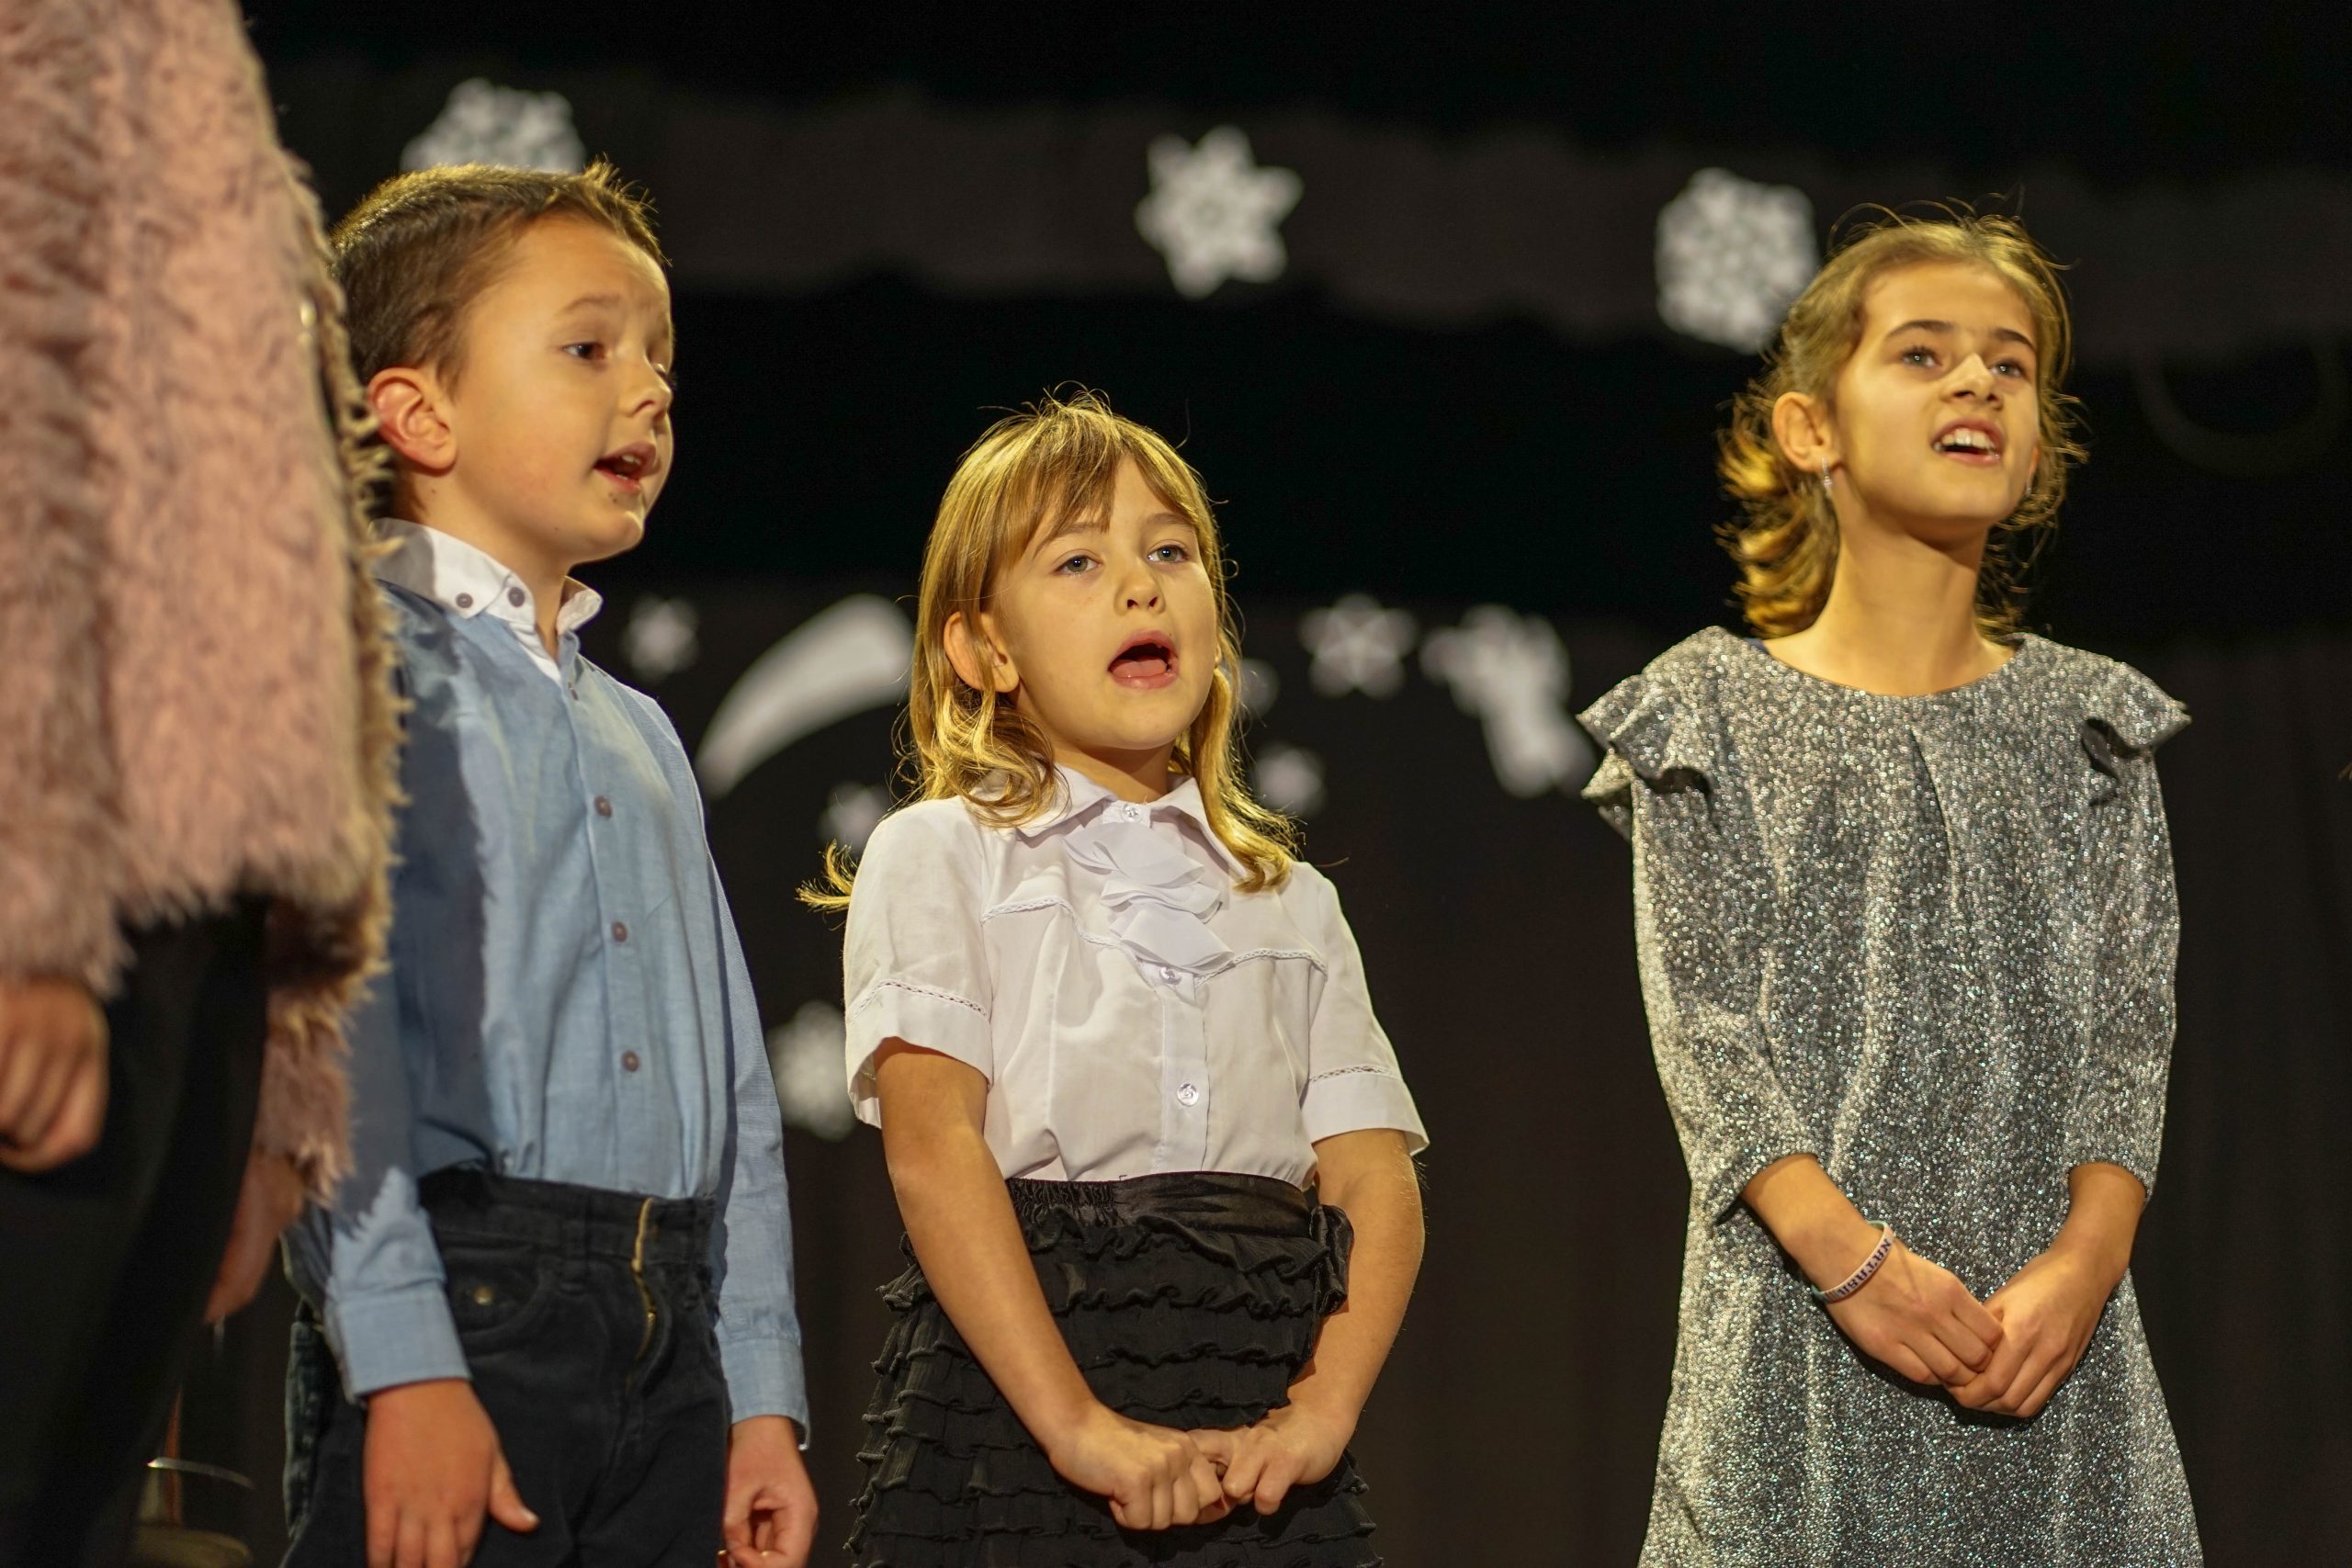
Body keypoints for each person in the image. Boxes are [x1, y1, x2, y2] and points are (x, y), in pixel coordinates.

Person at [1578, 209, 2202, 1564]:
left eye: (2009, 364)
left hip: (2050, 1351)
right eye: (1922, 354)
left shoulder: (2093, 727)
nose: (1976, 381)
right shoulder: (1707, 711)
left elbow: (2127, 1030)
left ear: (2036, 445)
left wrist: (2084, 1264)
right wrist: (1852, 1262)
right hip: (1798, 1343)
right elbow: (1707, 1033)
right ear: (1812, 428)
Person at [280, 161, 816, 1568]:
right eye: (588, 349)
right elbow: (330, 1044)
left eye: (660, 359)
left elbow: (736, 1096)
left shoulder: (640, 730)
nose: (649, 390)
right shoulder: (354, 671)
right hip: (467, 1296)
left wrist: (759, 1389)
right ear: (419, 412)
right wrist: (403, 1353)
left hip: (670, 1332)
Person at [821, 390, 1426, 1567]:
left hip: (1258, 1428)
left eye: (1170, 552)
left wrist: (1318, 1415)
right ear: (984, 650)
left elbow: (1373, 1179)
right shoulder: (942, 853)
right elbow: (934, 1148)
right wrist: (1077, 1427)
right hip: (1017, 1413)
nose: (1141, 588)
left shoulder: (1292, 901)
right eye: (1077, 562)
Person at [0, 3, 399, 1562]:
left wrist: (281, 1073)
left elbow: (288, 591)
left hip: (202, 934)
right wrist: (28, 909)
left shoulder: (185, 56)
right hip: (65, 902)